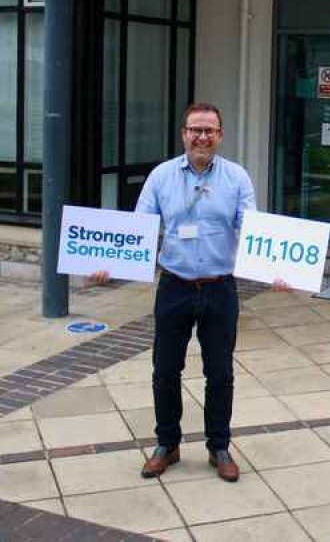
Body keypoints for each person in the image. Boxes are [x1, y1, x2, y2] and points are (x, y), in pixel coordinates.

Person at [90, 102, 254, 482]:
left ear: (220, 136)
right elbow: (139, 228)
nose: (202, 136)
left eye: (209, 131)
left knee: (221, 373)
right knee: (165, 371)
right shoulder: (161, 177)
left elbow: (252, 230)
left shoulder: (236, 178)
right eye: (195, 129)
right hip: (174, 286)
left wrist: (278, 267)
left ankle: (219, 446)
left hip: (220, 289)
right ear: (183, 134)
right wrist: (110, 263)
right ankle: (168, 444)